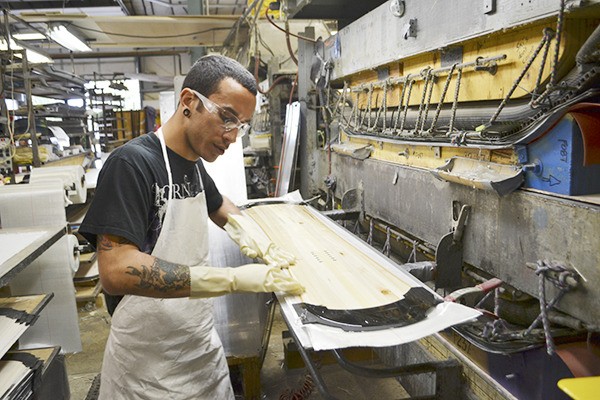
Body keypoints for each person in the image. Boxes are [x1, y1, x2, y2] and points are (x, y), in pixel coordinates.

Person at [79, 54, 304, 399]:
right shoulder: (132, 164)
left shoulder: (192, 165)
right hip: (147, 366)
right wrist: (230, 279)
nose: (233, 136)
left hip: (199, 347)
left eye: (241, 125)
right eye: (227, 118)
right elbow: (116, 269)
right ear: (188, 101)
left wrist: (258, 239)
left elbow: (219, 205)